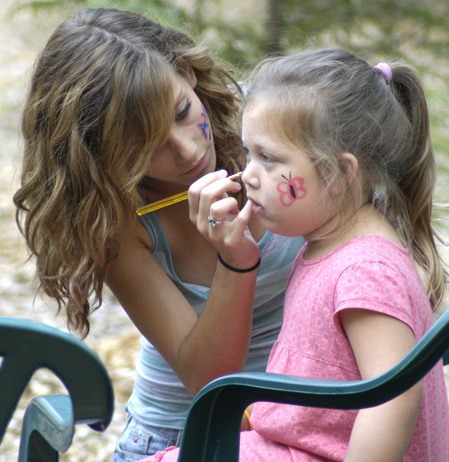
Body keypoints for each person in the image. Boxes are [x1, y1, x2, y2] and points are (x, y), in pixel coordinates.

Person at [13, 7, 305, 461]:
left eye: (184, 112)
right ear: (101, 153)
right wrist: (234, 260)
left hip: (310, 419)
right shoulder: (116, 220)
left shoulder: (272, 124)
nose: (189, 150)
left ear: (187, 72)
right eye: (144, 147)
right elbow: (210, 376)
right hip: (182, 436)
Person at [148, 48, 449, 461]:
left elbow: (393, 398)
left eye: (269, 159)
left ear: (340, 173)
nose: (246, 175)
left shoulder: (366, 270)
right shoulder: (327, 244)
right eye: (248, 153)